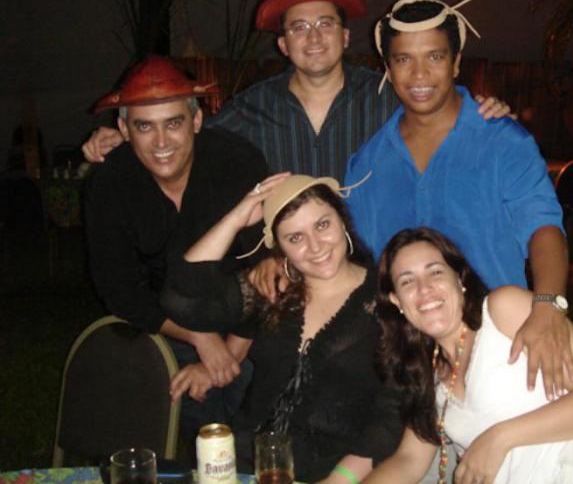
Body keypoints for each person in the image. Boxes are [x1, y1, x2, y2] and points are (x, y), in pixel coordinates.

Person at [345, 0, 572, 400]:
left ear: (456, 62)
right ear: (388, 69)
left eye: (434, 56)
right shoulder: (367, 164)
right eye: (403, 59)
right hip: (412, 364)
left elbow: (543, 227)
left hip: (506, 346)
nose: (419, 74)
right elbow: (363, 264)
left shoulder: (503, 141)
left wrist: (547, 306)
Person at [82, 0, 510, 181]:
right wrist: (123, 140)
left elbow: (440, 112)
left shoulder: (385, 96)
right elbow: (185, 141)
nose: (314, 37)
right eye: (300, 28)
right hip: (287, 266)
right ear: (283, 45)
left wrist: (486, 111)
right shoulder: (251, 108)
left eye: (325, 24)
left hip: (376, 260)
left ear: (345, 37)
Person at [161, 174, 403, 483]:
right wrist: (237, 219)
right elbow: (178, 298)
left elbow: (391, 413)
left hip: (334, 473)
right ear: (279, 247)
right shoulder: (273, 290)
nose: (315, 246)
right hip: (246, 466)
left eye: (322, 225)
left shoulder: (387, 300)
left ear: (342, 219)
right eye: (295, 238)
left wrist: (340, 479)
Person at [364, 227, 573, 484]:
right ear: (396, 301)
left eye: (435, 272)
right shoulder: (431, 375)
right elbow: (408, 461)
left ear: (459, 278)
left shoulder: (502, 311)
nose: (424, 289)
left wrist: (499, 438)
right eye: (407, 281)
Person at [83, 55, 267, 446]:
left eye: (173, 123)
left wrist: (228, 355)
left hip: (247, 316)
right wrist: (200, 339)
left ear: (196, 121)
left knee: (255, 417)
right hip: (165, 323)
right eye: (144, 126)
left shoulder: (237, 163)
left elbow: (266, 269)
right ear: (124, 129)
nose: (162, 142)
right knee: (187, 412)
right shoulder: (110, 183)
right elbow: (118, 288)